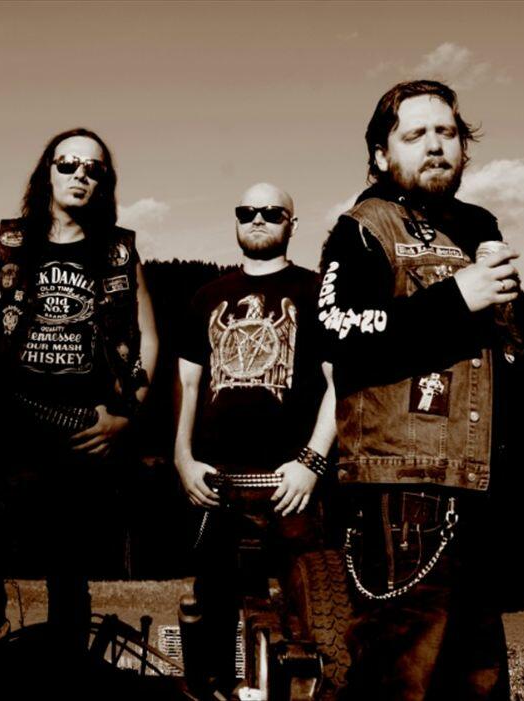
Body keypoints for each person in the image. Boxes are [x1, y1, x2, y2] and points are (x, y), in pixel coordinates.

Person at [317, 80, 524, 700]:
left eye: (446, 132)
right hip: (401, 491)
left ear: (464, 148)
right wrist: (455, 297)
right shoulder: (363, 227)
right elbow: (335, 332)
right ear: (381, 154)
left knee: (478, 681)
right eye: (414, 134)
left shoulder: (478, 225)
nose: (434, 145)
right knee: (401, 681)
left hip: (481, 488)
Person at [0, 128, 158, 652]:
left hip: (82, 423)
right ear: (47, 173)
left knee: (68, 553)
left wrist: (127, 415)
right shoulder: (7, 240)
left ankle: (66, 659)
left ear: (105, 182)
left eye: (94, 168)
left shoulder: (120, 251)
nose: (81, 174)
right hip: (7, 408)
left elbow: (149, 337)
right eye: (68, 163)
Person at [173, 183, 336, 698]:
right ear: (236, 220)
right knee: (210, 617)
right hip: (218, 485)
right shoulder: (206, 296)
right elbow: (188, 385)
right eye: (247, 212)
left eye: (272, 212)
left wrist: (312, 462)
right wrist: (182, 459)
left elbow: (340, 384)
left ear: (292, 224)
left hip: (294, 486)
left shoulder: (317, 292)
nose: (258, 219)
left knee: (315, 622)